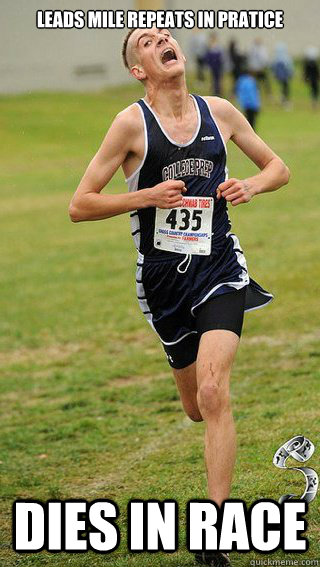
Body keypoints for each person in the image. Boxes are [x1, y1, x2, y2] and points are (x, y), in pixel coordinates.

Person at [69, 27, 290, 567]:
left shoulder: (219, 111)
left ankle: (215, 535)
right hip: (162, 281)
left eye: (165, 34)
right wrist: (144, 195)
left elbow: (278, 168)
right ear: (138, 69)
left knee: (214, 393)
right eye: (146, 41)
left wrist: (251, 186)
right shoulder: (130, 124)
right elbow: (80, 204)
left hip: (219, 265)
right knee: (194, 407)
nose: (161, 39)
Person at [236, 62, 261, 131]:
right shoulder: (251, 80)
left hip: (246, 105)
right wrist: (257, 104)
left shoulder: (240, 81)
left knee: (247, 122)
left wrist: (240, 103)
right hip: (252, 104)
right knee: (252, 122)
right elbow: (255, 94)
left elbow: (239, 93)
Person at [271, 43, 294, 108]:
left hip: (279, 77)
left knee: (283, 88)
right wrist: (291, 74)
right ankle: (285, 100)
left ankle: (283, 100)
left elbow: (273, 67)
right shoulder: (286, 58)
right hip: (285, 77)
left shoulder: (276, 58)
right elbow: (290, 67)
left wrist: (274, 75)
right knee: (285, 89)